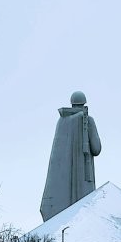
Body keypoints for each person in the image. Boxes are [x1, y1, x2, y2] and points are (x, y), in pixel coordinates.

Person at [40, 91, 102, 221]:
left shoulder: (62, 121)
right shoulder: (88, 120)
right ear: (84, 103)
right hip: (85, 179)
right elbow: (96, 149)